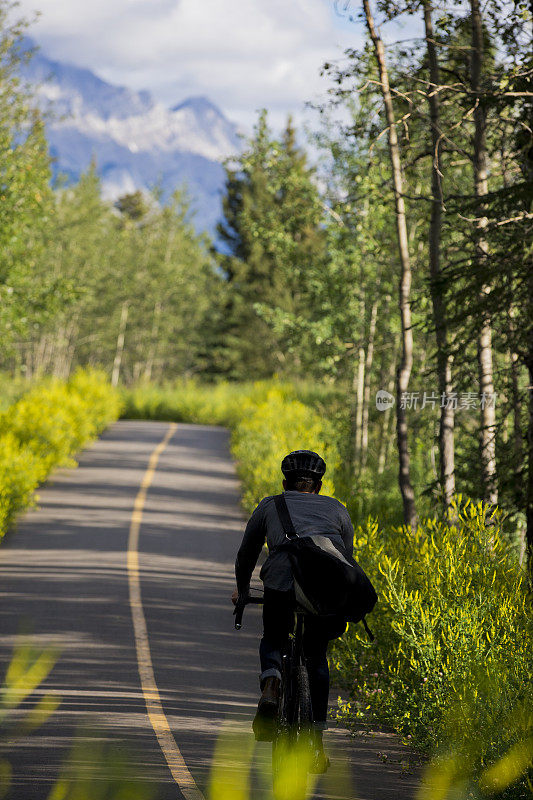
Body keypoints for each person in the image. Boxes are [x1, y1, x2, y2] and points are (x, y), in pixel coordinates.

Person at [232, 449, 354, 773]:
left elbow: (247, 553)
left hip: (280, 583)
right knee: (316, 657)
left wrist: (243, 591)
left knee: (273, 635)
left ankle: (271, 682)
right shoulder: (337, 510)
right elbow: (348, 562)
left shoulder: (270, 505)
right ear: (319, 485)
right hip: (324, 593)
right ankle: (315, 743)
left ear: (284, 482)